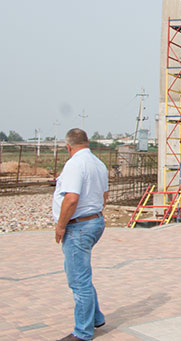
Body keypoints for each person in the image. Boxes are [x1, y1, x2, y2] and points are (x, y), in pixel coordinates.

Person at [53, 128, 109, 341]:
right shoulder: (98, 163)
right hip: (94, 221)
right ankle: (96, 317)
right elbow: (104, 196)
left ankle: (83, 332)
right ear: (87, 142)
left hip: (79, 226)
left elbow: (71, 198)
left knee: (78, 281)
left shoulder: (75, 164)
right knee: (82, 274)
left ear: (68, 147)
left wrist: (61, 225)